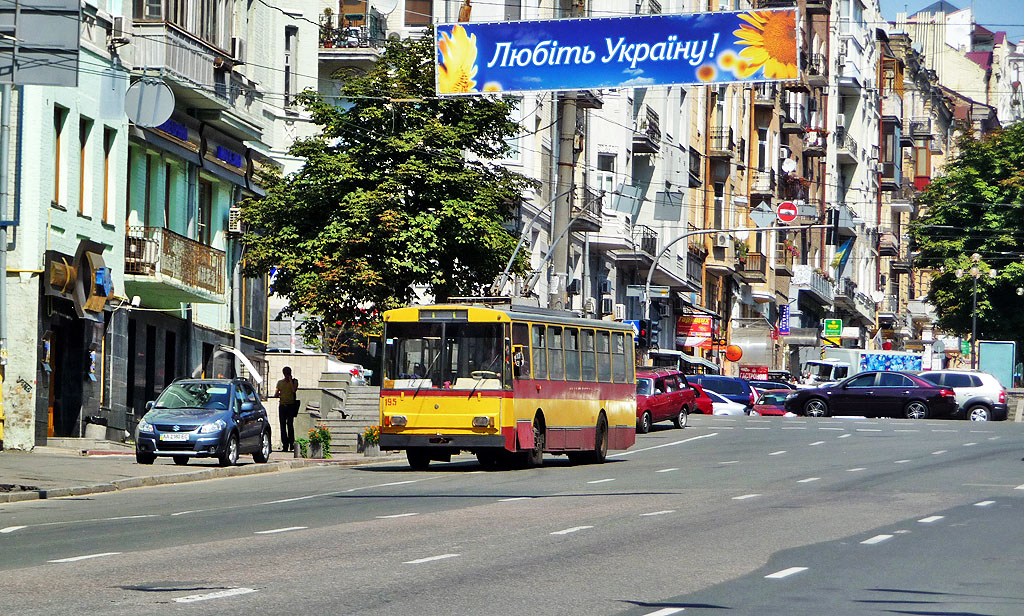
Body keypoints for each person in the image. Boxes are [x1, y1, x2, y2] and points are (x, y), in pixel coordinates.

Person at [274, 366, 299, 452]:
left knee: (290, 424)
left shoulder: (295, 381)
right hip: (282, 405)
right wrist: (279, 394)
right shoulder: (280, 383)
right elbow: (276, 394)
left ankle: (291, 443)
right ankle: (285, 444)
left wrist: (291, 381)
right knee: (282, 425)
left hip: (291, 405)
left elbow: (293, 390)